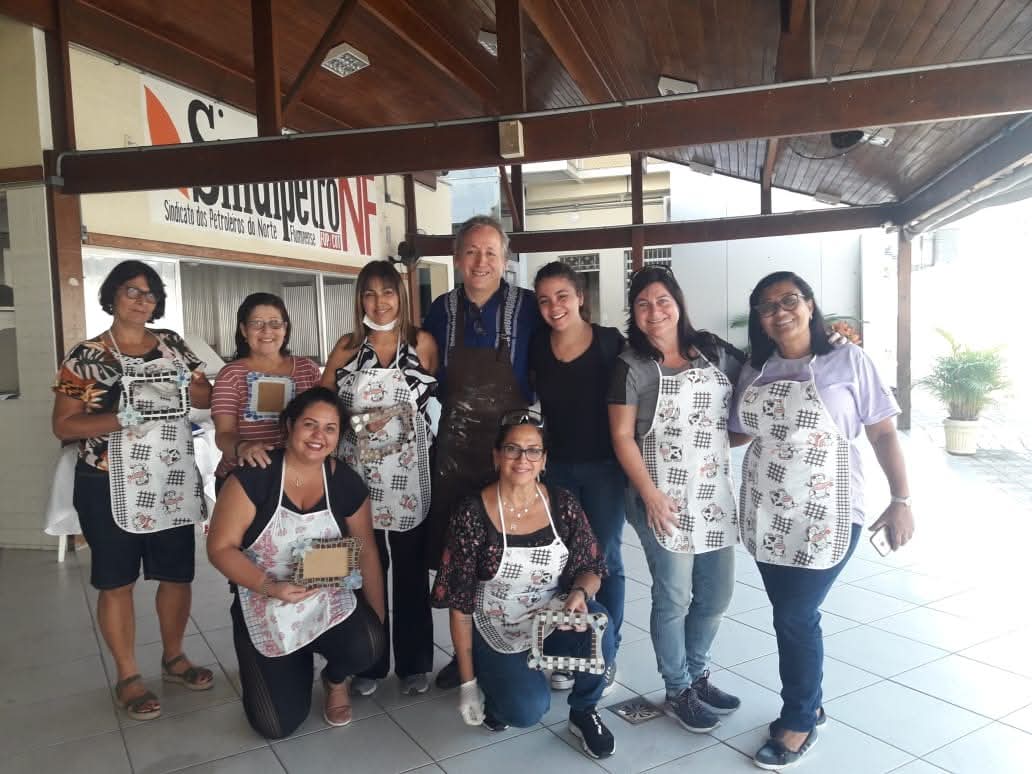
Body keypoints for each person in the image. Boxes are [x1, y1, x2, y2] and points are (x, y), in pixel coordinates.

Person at [730, 271, 914, 770]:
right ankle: (809, 701)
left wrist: (901, 498)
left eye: (789, 300)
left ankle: (800, 720)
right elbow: (739, 435)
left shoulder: (847, 359)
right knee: (787, 615)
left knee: (795, 615)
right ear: (761, 321)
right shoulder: (755, 369)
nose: (780, 311)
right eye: (768, 307)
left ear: (810, 305)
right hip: (766, 510)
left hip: (832, 510)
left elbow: (881, 434)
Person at [52, 259, 214, 722]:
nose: (142, 300)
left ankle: (174, 656)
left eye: (150, 293)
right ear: (112, 296)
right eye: (131, 291)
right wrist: (121, 418)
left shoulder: (175, 346)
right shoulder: (81, 356)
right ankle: (127, 675)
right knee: (116, 579)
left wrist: (193, 385)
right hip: (106, 480)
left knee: (176, 573)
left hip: (171, 476)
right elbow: (62, 424)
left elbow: (203, 399)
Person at [431, 412, 616, 760]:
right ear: (496, 456)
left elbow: (592, 567)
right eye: (513, 449)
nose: (522, 459)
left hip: (551, 616)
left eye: (533, 451)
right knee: (526, 711)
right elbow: (460, 606)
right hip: (497, 626)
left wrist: (579, 593)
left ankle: (584, 710)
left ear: (544, 460)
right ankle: (497, 695)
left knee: (599, 623)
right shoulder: (471, 513)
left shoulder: (562, 504)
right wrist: (468, 686)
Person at [608, 265, 744, 733]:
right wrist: (649, 493)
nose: (654, 311)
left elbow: (755, 391)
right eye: (643, 304)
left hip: (713, 495)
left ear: (678, 302)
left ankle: (698, 671)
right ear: (634, 312)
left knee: (718, 592)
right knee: (675, 596)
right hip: (658, 497)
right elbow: (622, 437)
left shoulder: (712, 352)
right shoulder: (631, 365)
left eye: (662, 300)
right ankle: (677, 686)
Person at [207, 387, 386, 738]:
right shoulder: (254, 477)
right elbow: (220, 548)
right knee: (276, 725)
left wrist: (376, 625)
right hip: (266, 599)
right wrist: (269, 586)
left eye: (330, 428)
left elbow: (365, 551)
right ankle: (293, 663)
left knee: (370, 646)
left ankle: (335, 679)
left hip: (325, 594)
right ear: (289, 426)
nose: (319, 436)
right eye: (310, 424)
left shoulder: (345, 482)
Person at [423, 214, 542, 689]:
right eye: (471, 251)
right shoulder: (439, 309)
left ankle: (514, 650)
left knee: (512, 558)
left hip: (513, 452)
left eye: (491, 252)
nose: (480, 262)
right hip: (454, 451)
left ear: (506, 259)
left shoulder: (529, 306)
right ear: (456, 258)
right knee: (461, 562)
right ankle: (464, 656)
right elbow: (425, 377)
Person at [323, 260, 438, 697]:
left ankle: (414, 664)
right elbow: (323, 401)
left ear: (401, 296)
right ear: (359, 299)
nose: (379, 301)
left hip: (411, 474)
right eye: (369, 293)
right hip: (360, 477)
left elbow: (433, 401)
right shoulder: (348, 345)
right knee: (367, 570)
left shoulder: (422, 342)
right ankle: (369, 663)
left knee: (409, 572)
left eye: (387, 291)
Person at [530, 261, 626, 695]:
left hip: (605, 468)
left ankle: (606, 651)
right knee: (564, 561)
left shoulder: (609, 343)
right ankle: (571, 648)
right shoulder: (536, 346)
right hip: (559, 469)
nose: (555, 307)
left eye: (562, 296)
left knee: (604, 559)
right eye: (545, 300)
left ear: (580, 297)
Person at [211, 293, 321, 491]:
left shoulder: (308, 369)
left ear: (285, 328)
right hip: (243, 480)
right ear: (244, 330)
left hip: (299, 477)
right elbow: (223, 435)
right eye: (257, 324)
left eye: (275, 323)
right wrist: (243, 447)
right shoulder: (231, 375)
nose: (267, 331)